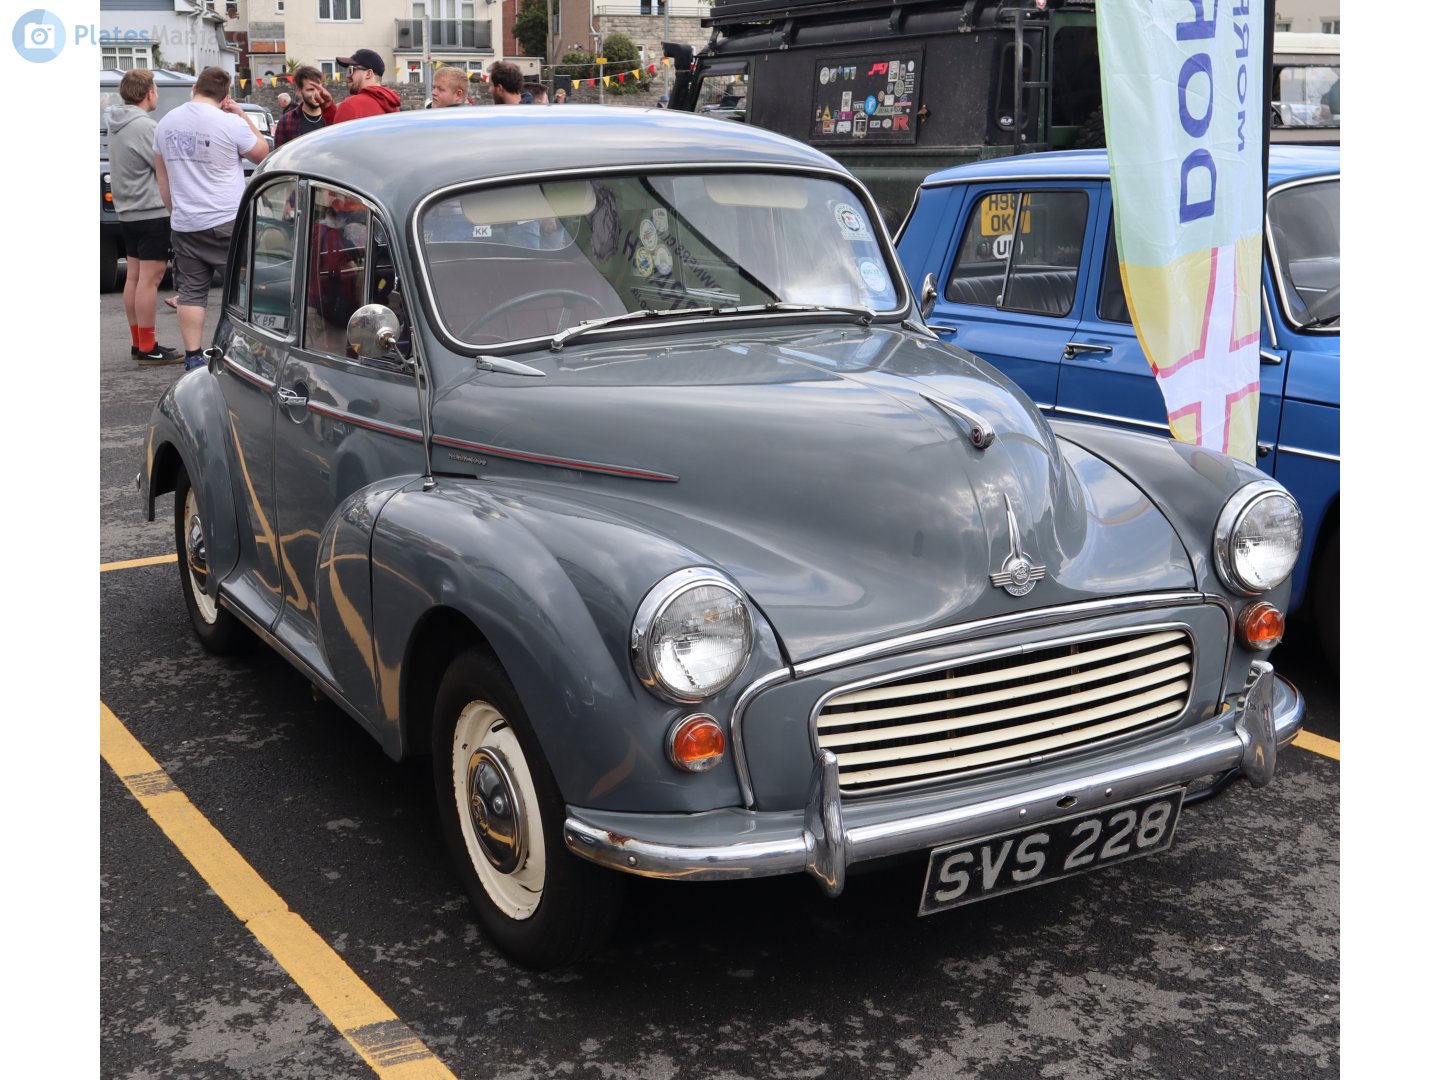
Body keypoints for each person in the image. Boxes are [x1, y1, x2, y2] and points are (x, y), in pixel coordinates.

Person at [154, 65, 269, 370]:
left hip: (185, 222)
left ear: (194, 89)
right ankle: (252, 353)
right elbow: (264, 153)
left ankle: (193, 356)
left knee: (190, 292)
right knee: (246, 287)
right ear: (224, 96)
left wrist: (175, 212)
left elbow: (162, 178)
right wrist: (242, 115)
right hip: (226, 220)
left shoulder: (165, 123)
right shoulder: (229, 123)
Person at [107, 68, 183, 365]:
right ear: (148, 92)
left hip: (128, 211)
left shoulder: (116, 122)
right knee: (150, 281)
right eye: (155, 89)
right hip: (151, 211)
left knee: (135, 278)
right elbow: (164, 168)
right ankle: (149, 347)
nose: (158, 94)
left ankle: (139, 342)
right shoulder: (145, 126)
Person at [322, 49, 402, 123]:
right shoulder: (393, 106)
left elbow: (336, 137)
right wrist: (329, 109)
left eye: (351, 69)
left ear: (368, 73)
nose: (347, 75)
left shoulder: (350, 105)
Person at [273, 65, 329, 145]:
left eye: (319, 88)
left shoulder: (334, 117)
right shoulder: (286, 121)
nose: (316, 94)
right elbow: (280, 155)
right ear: (299, 91)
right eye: (310, 90)